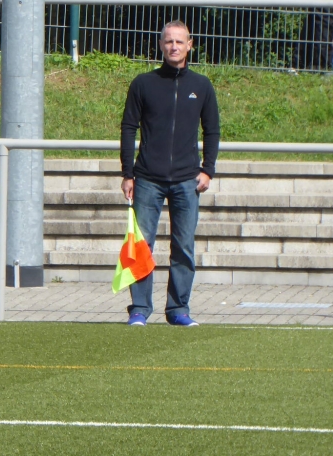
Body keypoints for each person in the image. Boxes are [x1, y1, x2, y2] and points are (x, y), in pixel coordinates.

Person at [120, 20, 220, 327]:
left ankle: (178, 309)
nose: (174, 46)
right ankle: (139, 308)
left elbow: (212, 130)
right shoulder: (143, 83)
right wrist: (128, 173)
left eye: (179, 41)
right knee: (141, 246)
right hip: (147, 179)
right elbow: (128, 127)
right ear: (161, 45)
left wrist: (208, 170)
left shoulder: (202, 86)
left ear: (190, 45)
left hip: (187, 180)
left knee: (183, 247)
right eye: (168, 41)